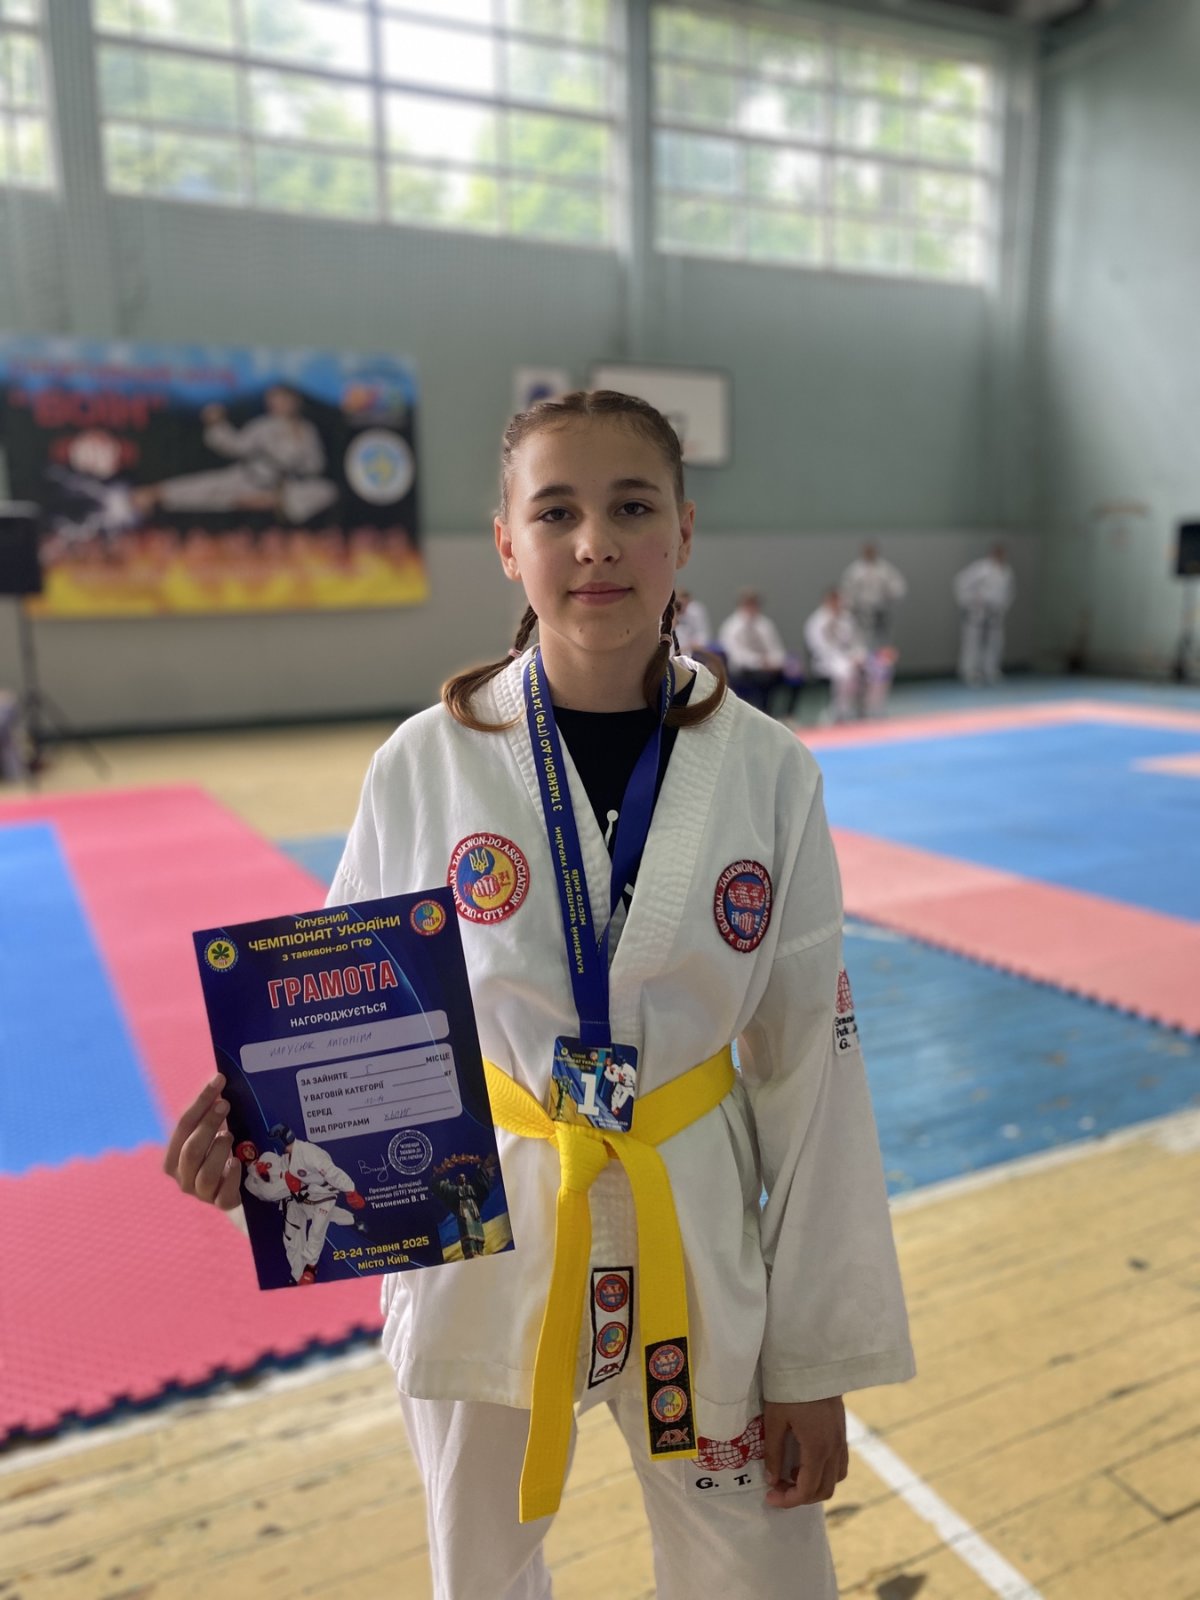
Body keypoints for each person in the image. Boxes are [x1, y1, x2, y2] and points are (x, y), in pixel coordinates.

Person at [164, 390, 914, 1600]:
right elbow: (338, 1016)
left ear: (683, 531)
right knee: (480, 1570)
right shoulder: (427, 762)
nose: (595, 543)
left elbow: (811, 1076)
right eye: (555, 512)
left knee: (762, 1570)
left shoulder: (769, 771)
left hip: (692, 1214)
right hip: (484, 1216)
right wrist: (257, 1143)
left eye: (633, 508)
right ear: (508, 542)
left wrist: (814, 1360)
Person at [132, 384, 338, 526]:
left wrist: (291, 476)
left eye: (283, 400)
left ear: (294, 401)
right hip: (252, 478)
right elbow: (236, 446)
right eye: (274, 401)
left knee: (329, 491)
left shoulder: (308, 430)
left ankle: (274, 501)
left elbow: (316, 465)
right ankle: (153, 495)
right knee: (205, 489)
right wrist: (216, 423)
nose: (278, 405)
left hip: (287, 489)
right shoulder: (264, 425)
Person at [235, 1122, 367, 1285]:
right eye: (245, 1150)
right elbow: (266, 1196)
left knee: (323, 1215)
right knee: (292, 1239)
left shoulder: (268, 1156)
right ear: (241, 1156)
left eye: (250, 1148)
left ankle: (354, 1220)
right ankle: (300, 1277)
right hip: (288, 1200)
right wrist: (267, 1179)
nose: (249, 1151)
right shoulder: (249, 1182)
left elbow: (286, 1165)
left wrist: (290, 1174)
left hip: (303, 1189)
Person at [804, 588, 897, 723]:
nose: (838, 604)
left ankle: (872, 709)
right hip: (827, 661)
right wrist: (844, 659)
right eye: (835, 601)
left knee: (882, 667)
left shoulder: (847, 618)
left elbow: (857, 643)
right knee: (846, 672)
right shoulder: (816, 621)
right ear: (827, 601)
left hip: (850, 657)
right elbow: (818, 647)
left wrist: (859, 656)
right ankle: (842, 712)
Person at [716, 589, 803, 718]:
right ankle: (765, 713)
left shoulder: (765, 624)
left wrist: (775, 662)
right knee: (764, 680)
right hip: (745, 671)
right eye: (749, 604)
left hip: (769, 667)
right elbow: (737, 657)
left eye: (755, 604)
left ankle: (788, 715)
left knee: (795, 676)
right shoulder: (731, 627)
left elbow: (775, 648)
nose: (752, 608)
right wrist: (760, 662)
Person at [954, 543, 1015, 685]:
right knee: (973, 642)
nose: (1001, 556)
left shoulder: (1006, 571)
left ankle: (991, 670)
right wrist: (969, 601)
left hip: (996, 611)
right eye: (998, 553)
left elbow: (1010, 592)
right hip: (978, 610)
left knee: (995, 643)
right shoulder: (981, 568)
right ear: (992, 553)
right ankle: (970, 672)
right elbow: (960, 582)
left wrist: (1003, 606)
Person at [839, 542, 907, 648]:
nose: (869, 554)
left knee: (882, 642)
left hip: (880, 611)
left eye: (871, 551)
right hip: (860, 612)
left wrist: (890, 593)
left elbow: (899, 587)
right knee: (860, 641)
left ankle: (881, 656)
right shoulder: (855, 571)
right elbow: (846, 591)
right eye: (867, 552)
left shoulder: (885, 569)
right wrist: (850, 607)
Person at [672, 587, 711, 655]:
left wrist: (696, 644)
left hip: (695, 649)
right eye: (680, 605)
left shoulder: (696, 611)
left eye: (686, 603)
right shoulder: (670, 614)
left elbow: (703, 633)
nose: (683, 607)